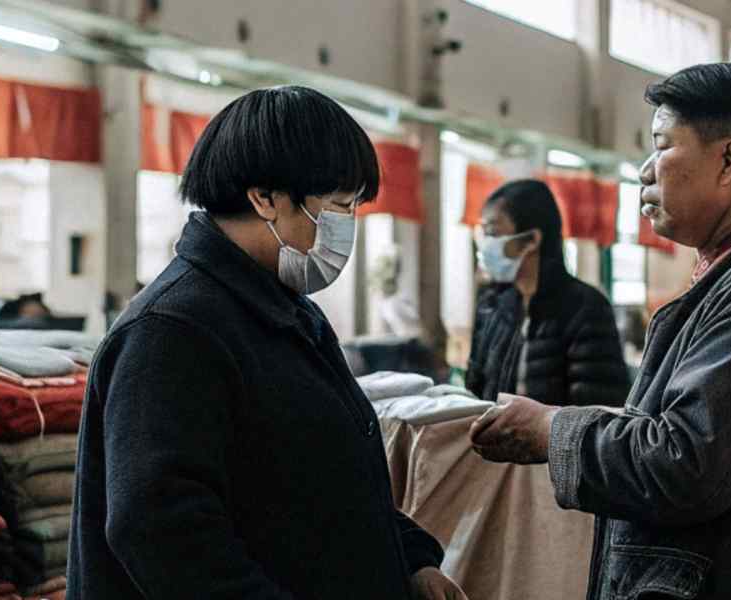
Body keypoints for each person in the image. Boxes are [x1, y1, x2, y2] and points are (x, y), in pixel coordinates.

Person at [467, 63, 731, 599]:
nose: (645, 171)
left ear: (727, 160)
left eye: (662, 145)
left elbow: (687, 465)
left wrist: (550, 430)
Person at [68, 86, 464, 600]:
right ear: (265, 198)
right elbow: (159, 527)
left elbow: (327, 480)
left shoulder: (289, 313)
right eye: (339, 206)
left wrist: (410, 561)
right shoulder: (172, 331)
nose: (346, 228)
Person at [465, 180, 631, 407]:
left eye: (493, 233)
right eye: (484, 234)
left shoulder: (585, 308)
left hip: (553, 442)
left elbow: (597, 408)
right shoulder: (491, 306)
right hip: (494, 441)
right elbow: (474, 388)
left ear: (532, 239)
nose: (486, 245)